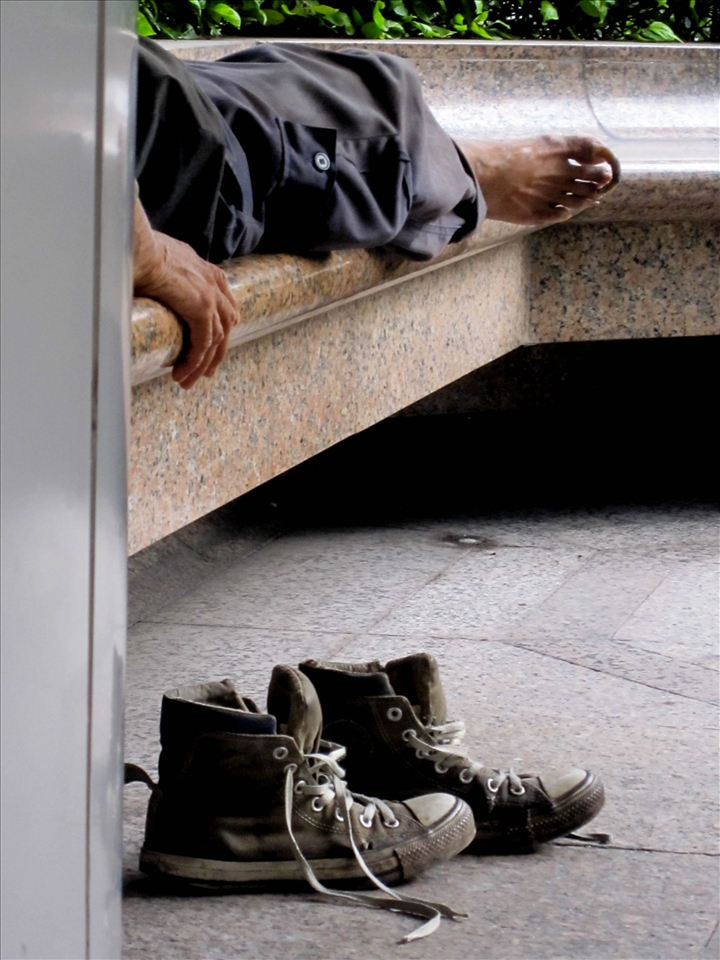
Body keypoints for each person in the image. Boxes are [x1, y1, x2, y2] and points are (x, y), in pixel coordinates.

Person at [133, 38, 619, 390]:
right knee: (372, 98)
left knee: (282, 86)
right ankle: (459, 166)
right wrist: (146, 255)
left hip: (133, 103)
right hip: (157, 136)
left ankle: (443, 161)